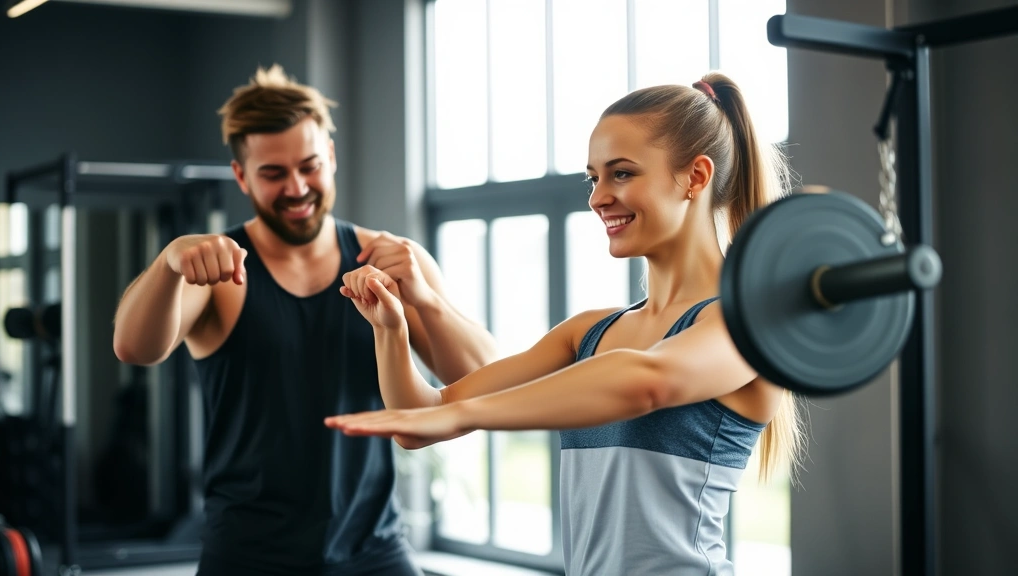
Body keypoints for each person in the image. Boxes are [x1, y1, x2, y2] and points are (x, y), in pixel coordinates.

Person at [328, 73, 806, 575]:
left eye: (621, 174)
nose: (598, 196)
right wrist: (391, 331)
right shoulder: (588, 333)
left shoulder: (744, 324)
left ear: (696, 176)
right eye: (593, 177)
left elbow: (647, 381)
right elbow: (422, 417)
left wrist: (465, 416)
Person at [111, 64, 498, 576]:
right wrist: (166, 265)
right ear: (241, 176)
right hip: (247, 557)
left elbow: (484, 380)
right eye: (273, 173)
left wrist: (425, 299)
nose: (297, 188)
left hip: (374, 550)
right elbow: (134, 348)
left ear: (331, 158)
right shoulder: (219, 271)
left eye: (310, 166)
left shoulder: (390, 258)